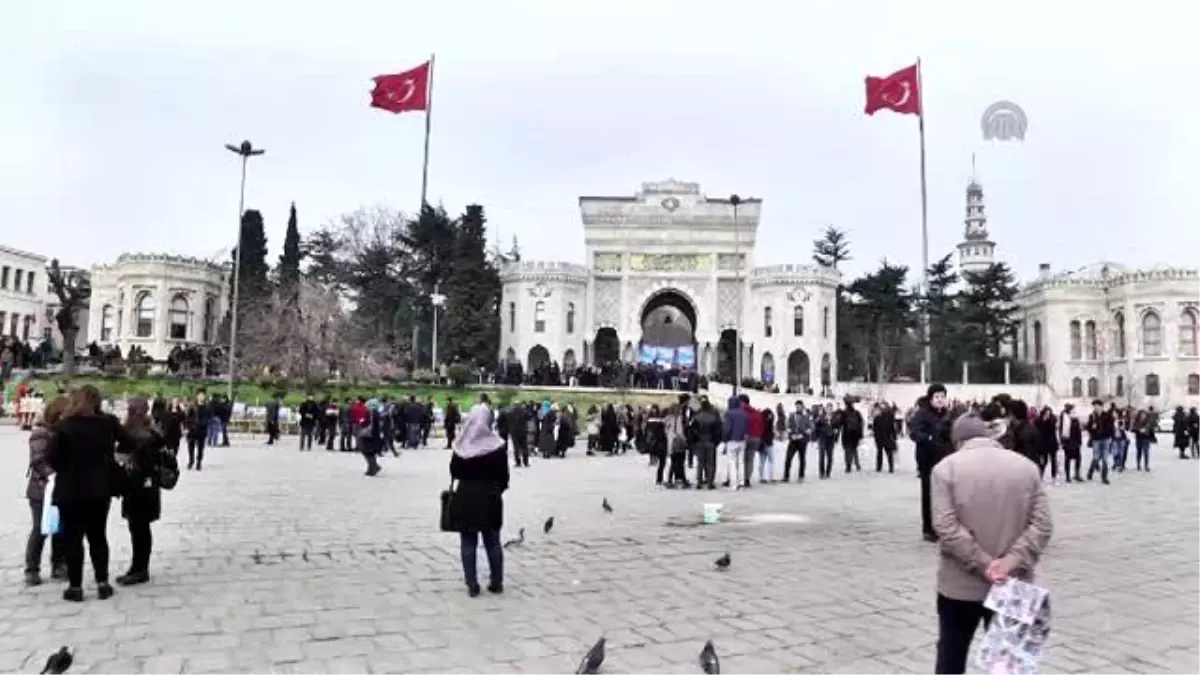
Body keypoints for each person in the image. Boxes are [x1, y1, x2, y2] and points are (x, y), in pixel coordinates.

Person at [931, 414, 1052, 675]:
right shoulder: (1027, 467)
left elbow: (946, 528)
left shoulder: (946, 469)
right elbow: (1043, 525)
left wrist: (984, 564)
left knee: (952, 654)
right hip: (1014, 583)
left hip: (960, 585)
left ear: (958, 440)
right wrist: (1008, 563)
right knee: (1007, 665)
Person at [48, 385, 129, 602]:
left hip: (70, 489)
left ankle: (75, 587)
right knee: (98, 536)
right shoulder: (108, 423)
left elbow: (52, 458)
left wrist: (66, 467)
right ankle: (102, 583)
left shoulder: (63, 426)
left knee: (73, 539)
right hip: (99, 488)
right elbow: (129, 441)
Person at [448, 403, 510, 597]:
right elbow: (504, 477)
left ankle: (472, 584)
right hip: (491, 496)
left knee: (468, 542)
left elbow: (454, 472)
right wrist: (495, 489)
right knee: (493, 541)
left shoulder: (461, 446)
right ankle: (497, 582)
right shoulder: (498, 446)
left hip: (466, 496)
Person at [115, 397, 177, 585]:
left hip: (137, 486)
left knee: (138, 528)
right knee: (141, 528)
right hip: (150, 487)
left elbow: (123, 456)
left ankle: (139, 568)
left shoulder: (135, 434)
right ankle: (139, 566)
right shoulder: (153, 431)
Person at [24, 395, 68, 586]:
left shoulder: (62, 432)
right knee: (40, 528)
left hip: (59, 487)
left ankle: (58, 564)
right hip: (41, 488)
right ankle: (31, 569)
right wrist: (52, 476)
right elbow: (38, 460)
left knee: (59, 527)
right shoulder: (41, 432)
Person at [912, 383, 952, 543]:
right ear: (930, 399)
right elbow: (914, 432)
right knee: (929, 494)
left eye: (942, 396)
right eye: (937, 397)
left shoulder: (946, 415)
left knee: (944, 496)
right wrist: (928, 438)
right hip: (927, 459)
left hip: (945, 459)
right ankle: (928, 529)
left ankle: (942, 527)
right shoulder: (922, 414)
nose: (940, 400)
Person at [690, 397, 722, 489]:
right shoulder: (713, 417)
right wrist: (716, 442)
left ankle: (699, 482)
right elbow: (718, 431)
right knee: (710, 463)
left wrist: (694, 441)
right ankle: (709, 482)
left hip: (699, 441)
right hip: (710, 441)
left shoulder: (696, 417)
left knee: (700, 463)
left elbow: (692, 430)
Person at [783, 401, 811, 482]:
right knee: (788, 457)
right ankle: (786, 476)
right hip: (793, 440)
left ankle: (801, 476)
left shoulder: (806, 416)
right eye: (797, 406)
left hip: (802, 440)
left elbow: (811, 427)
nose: (798, 407)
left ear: (803, 407)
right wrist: (789, 430)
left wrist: (806, 432)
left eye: (800, 406)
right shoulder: (792, 415)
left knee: (802, 458)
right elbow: (788, 425)